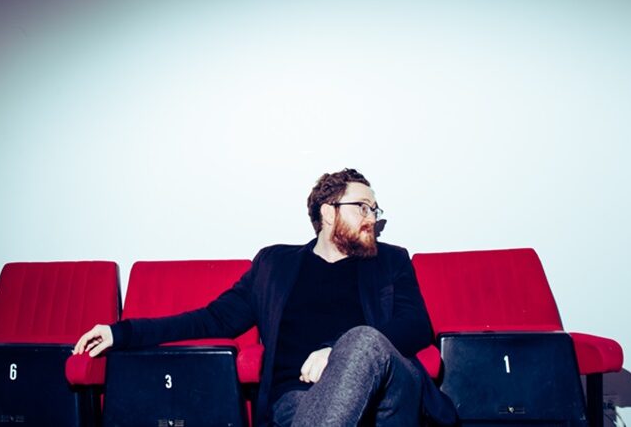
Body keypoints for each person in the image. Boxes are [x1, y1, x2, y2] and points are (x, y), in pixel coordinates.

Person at [74, 168, 456, 426]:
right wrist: (120, 332)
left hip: (387, 397)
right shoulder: (275, 265)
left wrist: (337, 353)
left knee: (361, 339)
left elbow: (416, 325)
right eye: (362, 207)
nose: (372, 217)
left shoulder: (390, 259)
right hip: (299, 400)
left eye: (375, 209)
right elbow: (211, 319)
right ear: (327, 212)